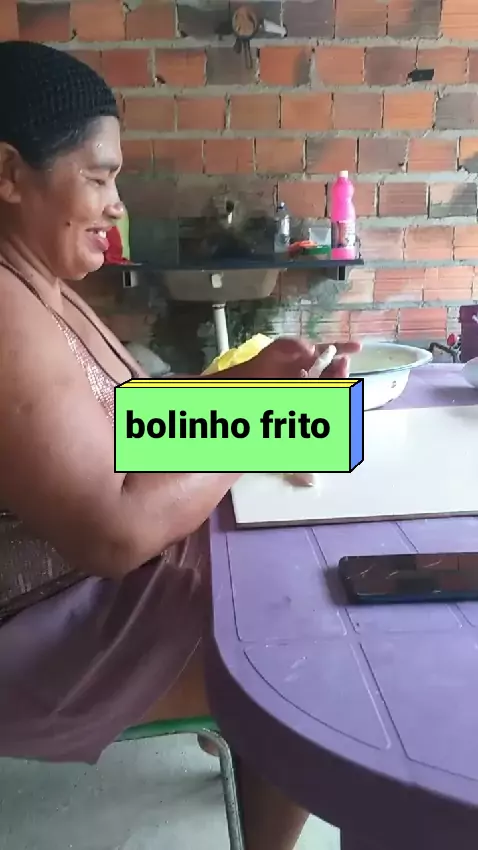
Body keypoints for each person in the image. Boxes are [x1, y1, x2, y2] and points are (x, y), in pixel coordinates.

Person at [0, 42, 360, 850]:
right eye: (99, 179)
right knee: (307, 642)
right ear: (9, 173)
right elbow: (113, 532)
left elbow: (133, 419)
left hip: (92, 596)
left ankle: (248, 744)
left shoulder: (37, 283)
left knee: (289, 560)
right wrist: (260, 419)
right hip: (44, 636)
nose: (115, 205)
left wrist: (249, 384)